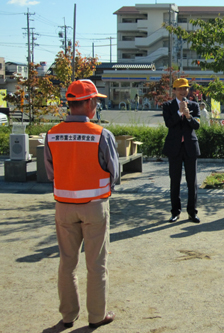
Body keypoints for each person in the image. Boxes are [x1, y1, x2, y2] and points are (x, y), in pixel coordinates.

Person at [43, 79, 118, 329]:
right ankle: (97, 316)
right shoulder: (101, 134)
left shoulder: (52, 134)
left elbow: (51, 173)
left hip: (63, 206)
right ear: (87, 103)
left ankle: (68, 315)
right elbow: (114, 173)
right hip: (95, 205)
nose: (96, 104)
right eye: (95, 100)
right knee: (96, 264)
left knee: (67, 262)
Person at [162, 78, 201, 223]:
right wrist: (179, 113)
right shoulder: (167, 106)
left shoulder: (194, 105)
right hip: (175, 149)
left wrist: (188, 115)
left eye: (185, 88)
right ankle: (175, 212)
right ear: (174, 90)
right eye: (179, 89)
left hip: (190, 147)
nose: (182, 91)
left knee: (192, 182)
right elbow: (169, 124)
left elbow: (196, 126)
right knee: (175, 181)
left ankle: (192, 212)